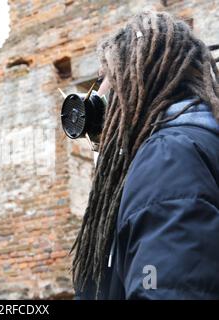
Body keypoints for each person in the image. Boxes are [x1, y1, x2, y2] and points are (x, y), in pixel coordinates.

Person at [71, 10, 219, 299]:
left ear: (133, 77)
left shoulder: (168, 156)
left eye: (103, 77)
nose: (97, 92)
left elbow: (167, 289)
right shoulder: (195, 146)